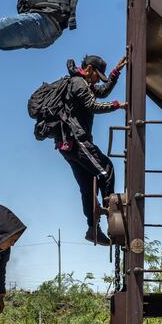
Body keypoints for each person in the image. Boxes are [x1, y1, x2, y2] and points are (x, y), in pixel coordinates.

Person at [57, 55, 127, 245]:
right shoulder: (78, 83)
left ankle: (92, 229)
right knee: (106, 169)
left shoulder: (82, 83)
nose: (97, 80)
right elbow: (92, 104)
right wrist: (116, 106)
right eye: (97, 76)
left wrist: (116, 72)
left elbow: (101, 93)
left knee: (88, 185)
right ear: (88, 69)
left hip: (68, 145)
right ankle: (112, 215)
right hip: (77, 140)